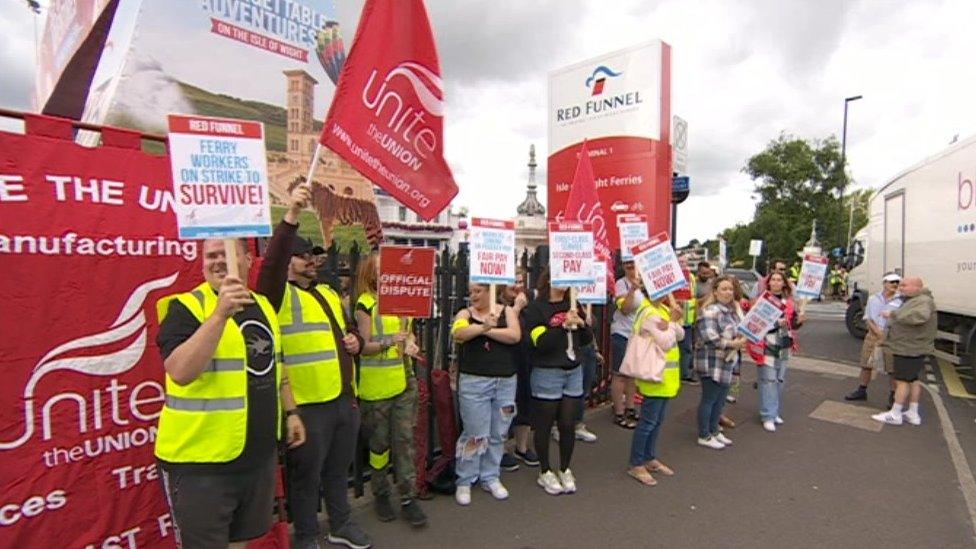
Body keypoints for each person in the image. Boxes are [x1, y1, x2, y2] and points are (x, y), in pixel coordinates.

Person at [155, 238, 307, 549]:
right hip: (202, 465)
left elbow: (275, 365)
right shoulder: (185, 307)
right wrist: (220, 315)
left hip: (255, 459)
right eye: (210, 256)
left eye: (226, 254)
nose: (217, 262)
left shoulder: (263, 305)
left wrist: (291, 412)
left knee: (242, 542)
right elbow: (181, 371)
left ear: (249, 260)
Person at [256, 187, 371, 549]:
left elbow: (343, 332)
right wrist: (290, 217)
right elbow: (271, 266)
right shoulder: (276, 294)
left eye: (312, 255)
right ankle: (306, 536)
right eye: (301, 255)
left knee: (338, 472)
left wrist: (354, 339)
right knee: (304, 479)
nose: (309, 260)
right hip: (305, 406)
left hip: (341, 399)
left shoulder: (326, 293)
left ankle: (340, 524)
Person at [354, 254, 428, 527]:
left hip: (403, 382)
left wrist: (410, 343)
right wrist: (388, 341)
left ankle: (408, 498)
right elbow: (364, 347)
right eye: (379, 269)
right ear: (370, 274)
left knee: (405, 442)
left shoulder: (402, 300)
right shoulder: (365, 304)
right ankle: (381, 492)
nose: (386, 272)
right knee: (379, 445)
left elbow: (407, 336)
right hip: (376, 389)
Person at [522, 266, 593, 495]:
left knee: (567, 424)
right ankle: (545, 471)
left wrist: (582, 324)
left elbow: (586, 340)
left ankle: (565, 468)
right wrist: (562, 326)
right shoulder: (535, 309)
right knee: (543, 425)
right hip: (547, 372)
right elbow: (539, 343)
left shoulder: (574, 305)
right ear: (550, 279)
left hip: (572, 371)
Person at [451, 283, 522, 505]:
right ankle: (465, 479)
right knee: (474, 431)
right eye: (471, 291)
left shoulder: (506, 311)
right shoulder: (465, 313)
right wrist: (482, 327)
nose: (473, 295)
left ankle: (490, 475)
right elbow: (459, 333)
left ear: (489, 291)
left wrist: (488, 331)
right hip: (474, 382)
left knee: (498, 431)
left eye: (478, 291)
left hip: (505, 380)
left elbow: (514, 335)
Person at [626, 295, 684, 486]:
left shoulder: (663, 310)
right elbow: (667, 342)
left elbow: (680, 335)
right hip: (655, 377)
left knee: (657, 421)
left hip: (665, 378)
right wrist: (673, 323)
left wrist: (673, 322)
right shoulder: (650, 313)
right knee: (648, 422)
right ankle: (637, 463)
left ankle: (649, 458)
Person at [872, 277, 937, 426]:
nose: (900, 287)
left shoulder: (923, 301)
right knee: (913, 380)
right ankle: (913, 412)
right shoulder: (916, 299)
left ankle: (895, 414)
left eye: (904, 285)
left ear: (917, 287)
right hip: (912, 347)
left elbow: (919, 317)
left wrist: (894, 315)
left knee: (901, 381)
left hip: (908, 348)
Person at [694, 275, 746, 449]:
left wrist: (740, 340)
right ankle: (704, 434)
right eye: (724, 289)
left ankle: (714, 430)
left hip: (726, 363)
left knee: (720, 400)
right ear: (715, 292)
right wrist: (734, 343)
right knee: (709, 399)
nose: (728, 292)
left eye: (730, 289)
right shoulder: (709, 311)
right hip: (711, 362)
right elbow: (710, 338)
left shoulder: (730, 311)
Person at [755, 271, 805, 432]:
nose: (776, 283)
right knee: (768, 380)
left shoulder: (789, 302)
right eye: (773, 280)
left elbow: (793, 324)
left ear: (784, 283)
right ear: (768, 283)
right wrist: (776, 323)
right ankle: (768, 414)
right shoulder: (762, 301)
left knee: (779, 379)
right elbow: (755, 324)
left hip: (784, 343)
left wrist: (800, 320)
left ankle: (774, 410)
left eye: (779, 280)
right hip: (767, 344)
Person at [845, 273, 903, 404]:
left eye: (897, 282)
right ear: (884, 283)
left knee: (891, 368)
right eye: (891, 282)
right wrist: (878, 333)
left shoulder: (901, 301)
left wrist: (886, 335)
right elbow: (868, 319)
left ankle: (893, 396)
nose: (895, 284)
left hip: (892, 337)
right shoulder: (873, 299)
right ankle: (862, 390)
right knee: (866, 364)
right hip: (873, 334)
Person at [503, 271, 540, 468]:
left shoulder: (528, 305)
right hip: (506, 361)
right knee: (505, 406)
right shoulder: (499, 307)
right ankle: (499, 450)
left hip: (526, 360)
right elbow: (508, 328)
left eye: (520, 282)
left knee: (525, 402)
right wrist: (516, 308)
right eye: (513, 282)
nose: (518, 286)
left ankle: (522, 447)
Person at [610, 260, 647, 429]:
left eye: (634, 265)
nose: (631, 268)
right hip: (622, 333)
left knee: (632, 374)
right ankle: (619, 411)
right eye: (628, 265)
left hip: (637, 335)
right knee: (620, 374)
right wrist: (632, 289)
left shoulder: (644, 284)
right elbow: (625, 308)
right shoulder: (621, 284)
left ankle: (630, 407)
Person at [672, 255, 699, 383]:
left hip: (686, 318)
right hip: (672, 317)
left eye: (684, 262)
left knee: (687, 348)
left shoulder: (691, 277)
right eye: (680, 261)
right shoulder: (671, 274)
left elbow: (693, 295)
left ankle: (685, 374)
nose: (682, 264)